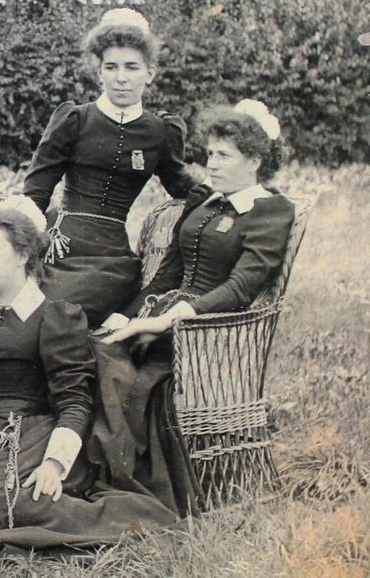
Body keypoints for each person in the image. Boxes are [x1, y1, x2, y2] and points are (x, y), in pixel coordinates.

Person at [0, 199, 177, 555]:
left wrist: (54, 465)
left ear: (23, 255)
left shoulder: (54, 316)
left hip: (34, 439)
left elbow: (75, 401)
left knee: (10, 504)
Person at [92, 100, 296, 515]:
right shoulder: (206, 201)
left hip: (205, 335)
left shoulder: (271, 211)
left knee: (112, 366)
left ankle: (120, 481)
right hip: (164, 319)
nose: (210, 165)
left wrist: (168, 320)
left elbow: (241, 288)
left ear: (254, 160)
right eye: (209, 155)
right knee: (90, 347)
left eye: (223, 156)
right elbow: (168, 273)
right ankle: (94, 471)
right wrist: (129, 315)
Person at [23, 9, 197, 327]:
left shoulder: (160, 131)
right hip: (59, 246)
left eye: (132, 67)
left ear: (150, 73)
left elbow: (182, 183)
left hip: (112, 258)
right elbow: (36, 192)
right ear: (99, 72)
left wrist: (239, 193)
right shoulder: (74, 119)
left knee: (59, 315)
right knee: (23, 311)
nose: (121, 77)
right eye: (111, 67)